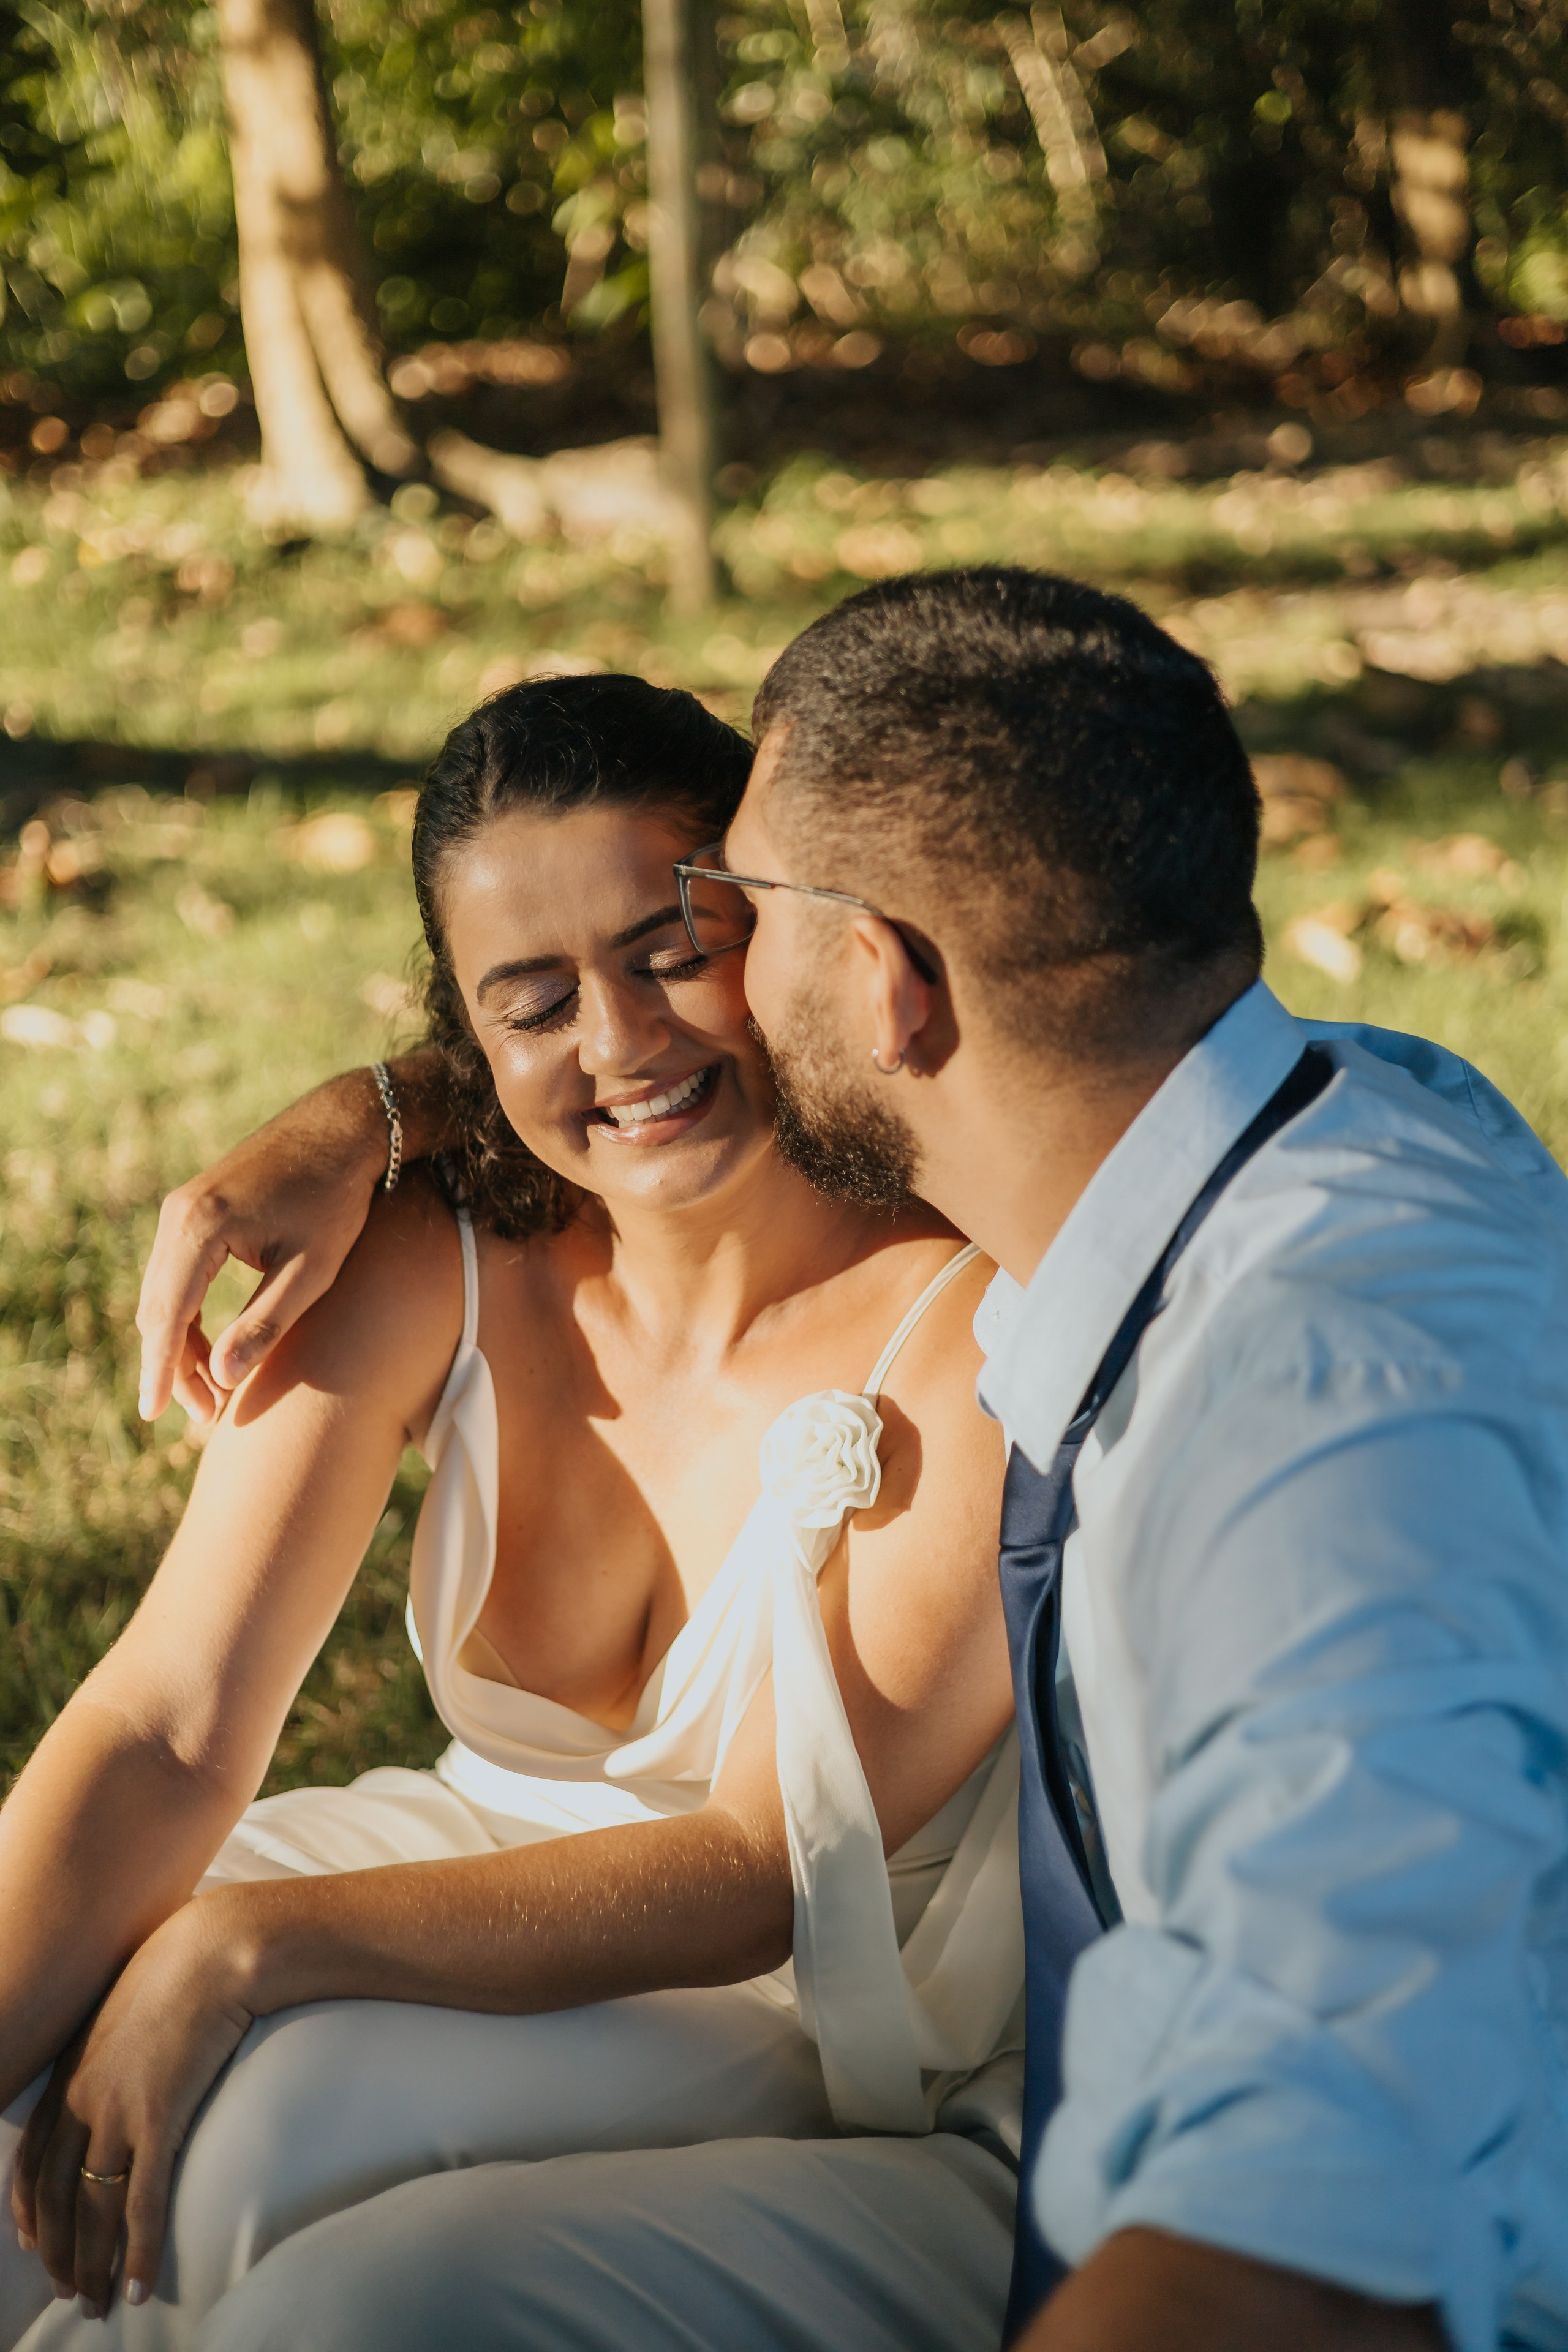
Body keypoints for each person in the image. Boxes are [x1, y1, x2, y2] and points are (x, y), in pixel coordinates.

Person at [142, 567, 1568, 2352]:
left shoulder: (1319, 1439)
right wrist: (385, 1106)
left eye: (720, 922)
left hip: (1162, 2204)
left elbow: (1312, 2218)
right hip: (1070, 2109)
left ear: (877, 979)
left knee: (351, 2314)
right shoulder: (1280, 1126)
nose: (682, 994)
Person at [0, 673, 1027, 2352]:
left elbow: (759, 1874)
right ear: (462, 1039)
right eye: (535, 1000)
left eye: (668, 953)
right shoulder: (430, 1249)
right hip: (452, 1855)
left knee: (253, 2140)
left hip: (789, 1975)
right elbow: (172, 1719)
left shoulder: (962, 1322)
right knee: (33, 2107)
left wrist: (245, 1944)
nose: (620, 1046)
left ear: (772, 927)